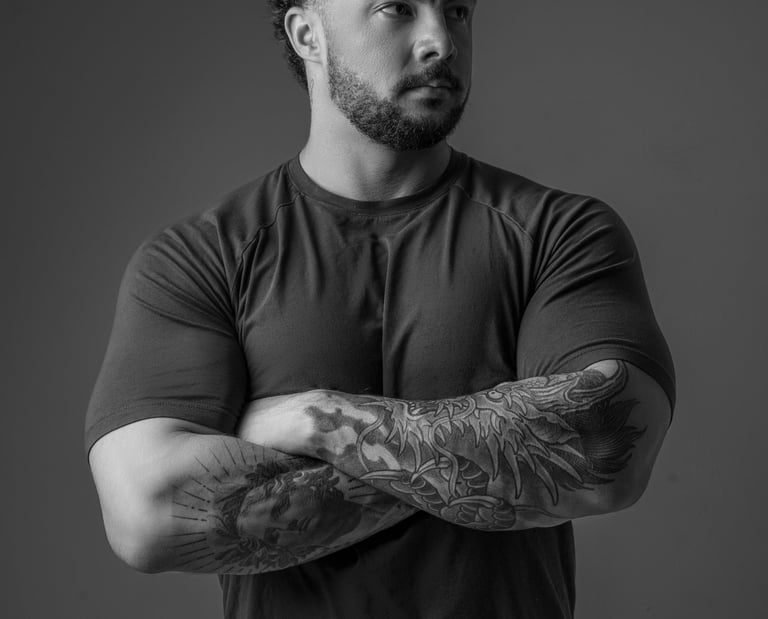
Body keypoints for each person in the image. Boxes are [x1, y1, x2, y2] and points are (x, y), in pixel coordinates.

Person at [86, 1, 675, 617]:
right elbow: (149, 516)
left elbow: (608, 444)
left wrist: (320, 420)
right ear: (307, 34)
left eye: (457, 9)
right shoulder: (199, 257)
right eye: (396, 8)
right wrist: (496, 457)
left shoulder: (561, 232)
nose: (442, 41)